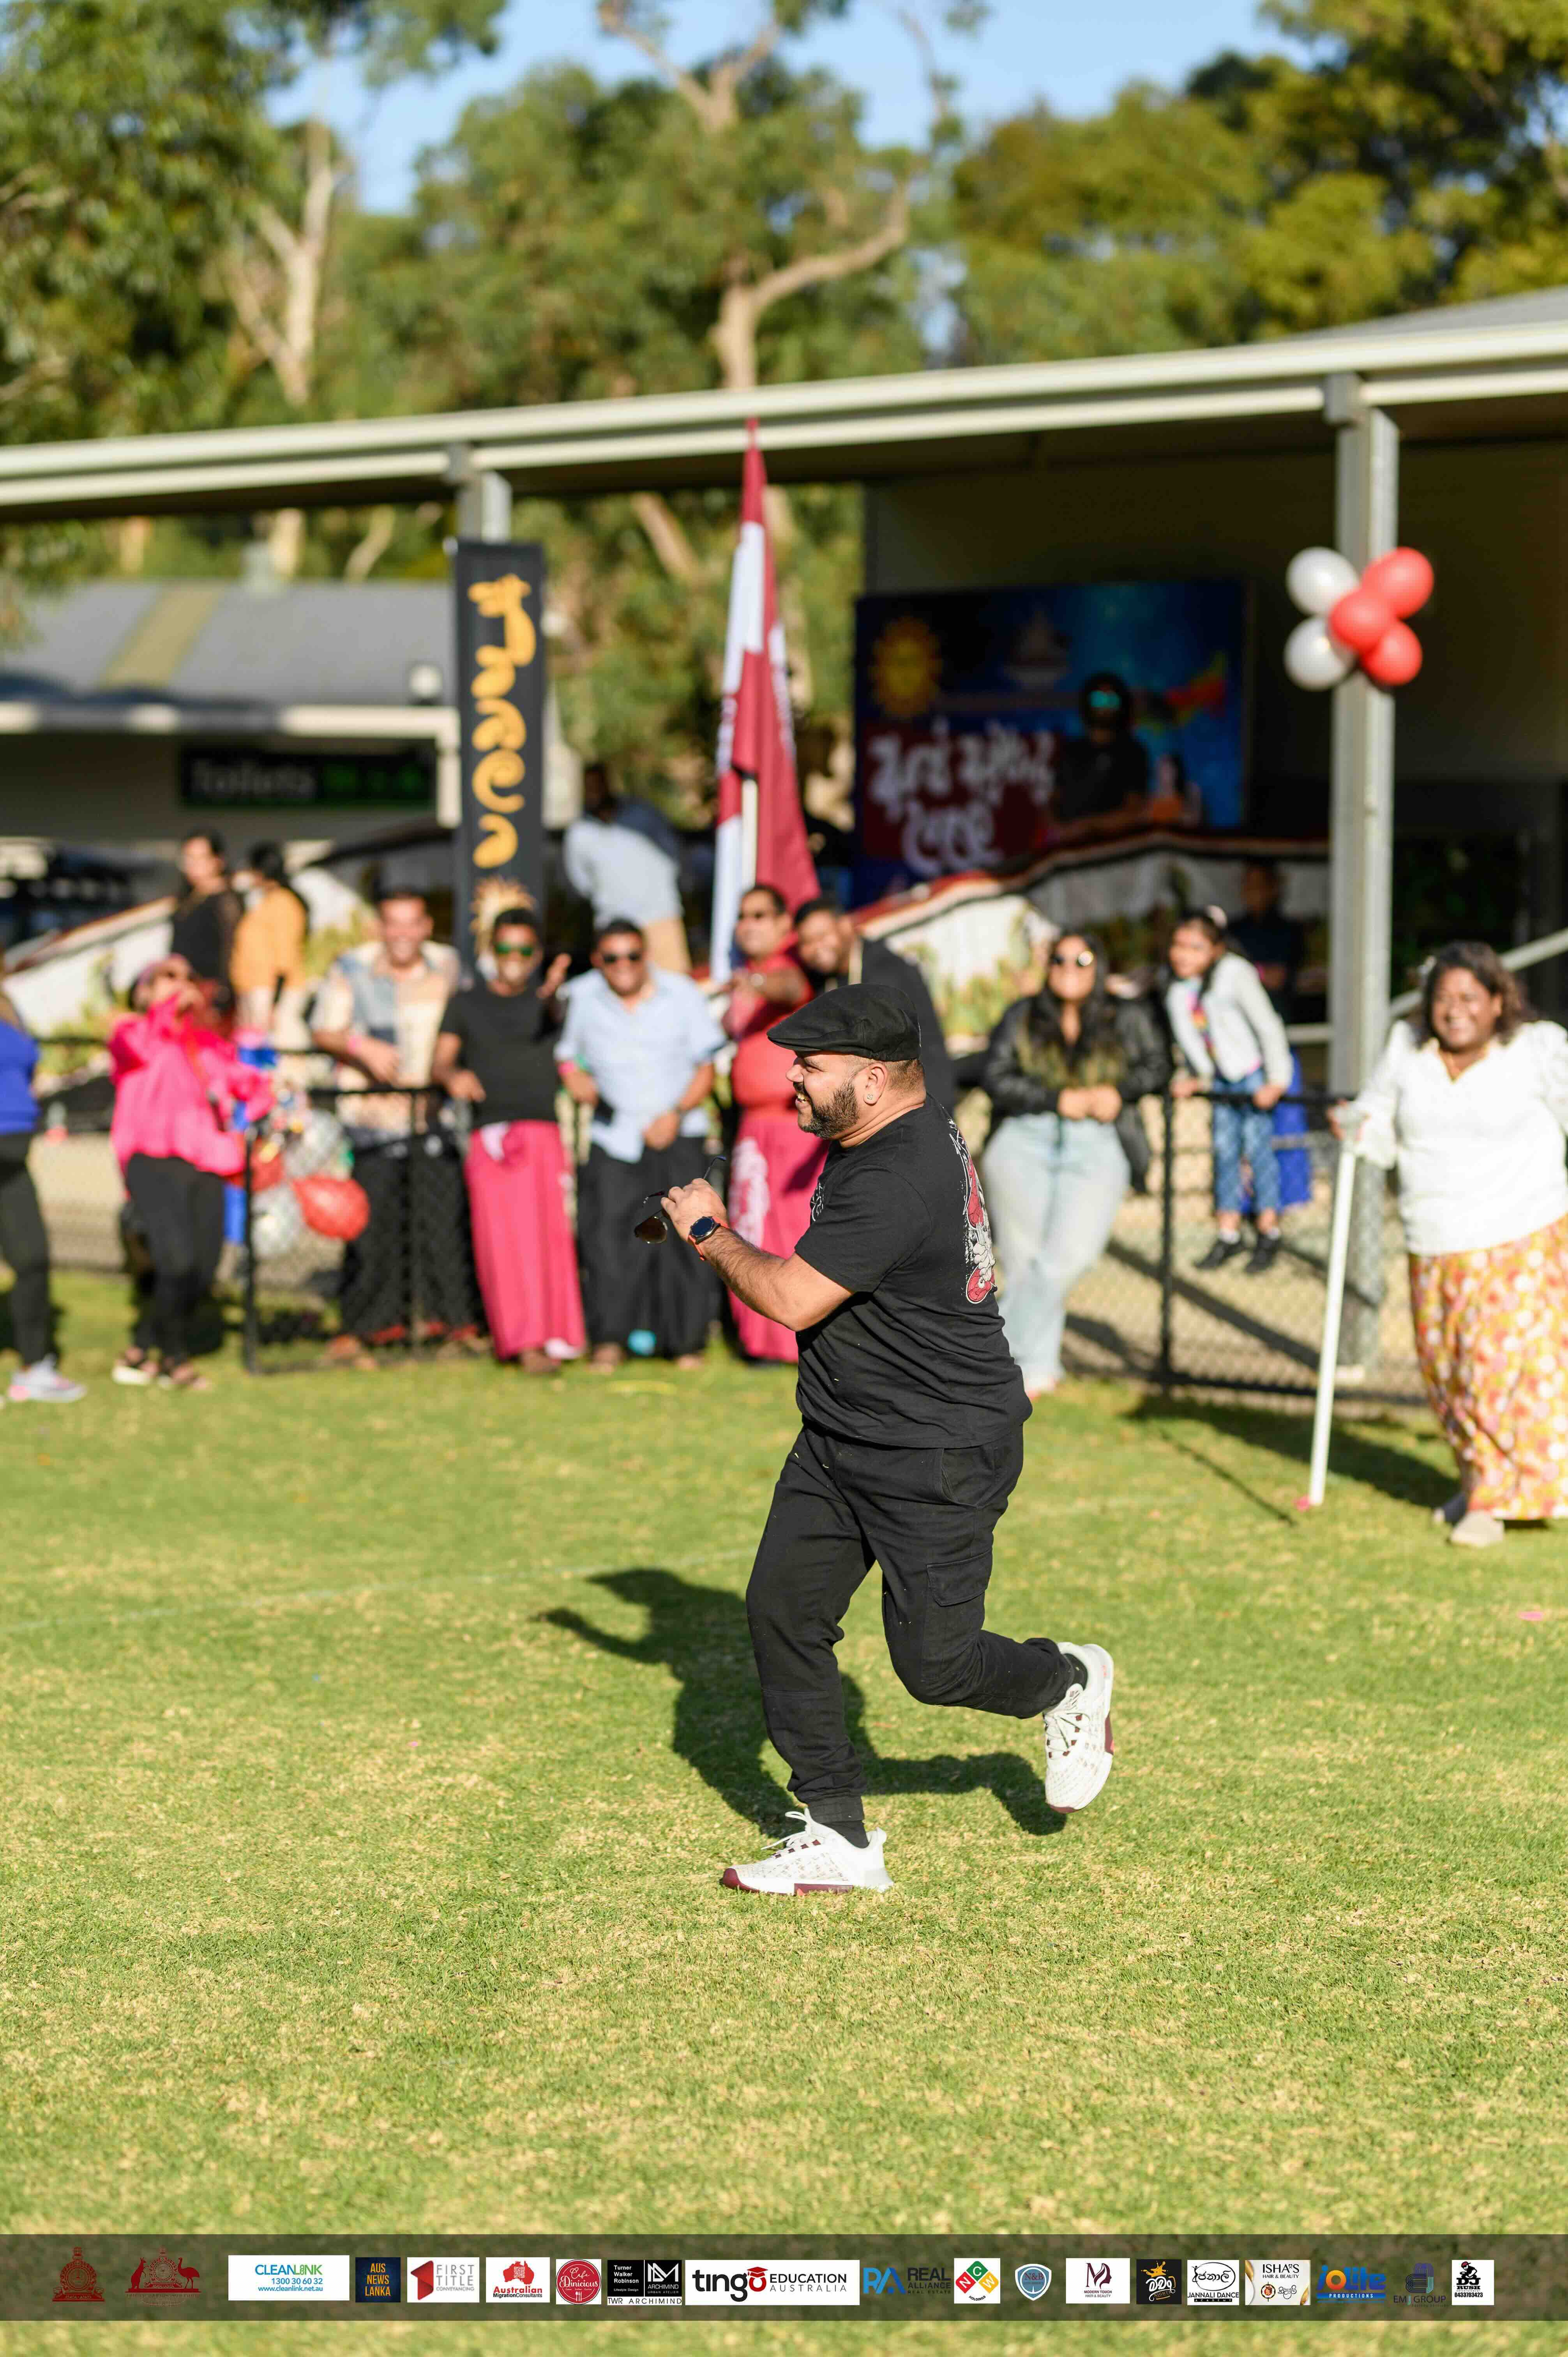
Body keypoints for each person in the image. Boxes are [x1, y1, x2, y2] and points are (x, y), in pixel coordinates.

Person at [658, 982, 1116, 1896]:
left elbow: (789, 1298)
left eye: (808, 1067)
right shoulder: (876, 1131)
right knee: (782, 1612)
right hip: (842, 1435)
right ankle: (835, 1832)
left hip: (937, 1449)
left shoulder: (895, 1171)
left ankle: (1065, 1679)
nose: (788, 1079)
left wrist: (708, 1231)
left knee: (934, 1666)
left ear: (869, 1081)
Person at [1336, 942, 1568, 1549]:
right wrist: (1358, 1126)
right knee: (1449, 1378)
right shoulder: (1407, 1051)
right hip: (1433, 1239)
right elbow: (1379, 1124)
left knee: (1495, 1373)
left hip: (1521, 1235)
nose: (1455, 1010)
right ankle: (1478, 1480)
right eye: (1443, 998)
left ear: (1498, 1001)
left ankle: (1494, 1502)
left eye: (1470, 997)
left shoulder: (1537, 1049)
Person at [982, 931, 1170, 1397]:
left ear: (1098, 965)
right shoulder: (1021, 1015)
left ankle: (978, 1353)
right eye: (1059, 959)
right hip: (1024, 1139)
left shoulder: (1124, 1014)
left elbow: (1158, 1065)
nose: (1070, 967)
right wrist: (1055, 1098)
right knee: (1023, 1262)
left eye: (1082, 959)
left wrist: (1118, 1092)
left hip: (1098, 1142)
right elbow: (995, 1076)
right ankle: (1034, 1369)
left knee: (1067, 1258)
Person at [311, 889, 480, 1369]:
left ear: (427, 927)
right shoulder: (352, 967)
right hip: (374, 1120)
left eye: (412, 924)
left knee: (442, 1225)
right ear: (381, 928)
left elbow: (471, 1020)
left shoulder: (448, 966)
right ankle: (366, 1329)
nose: (402, 934)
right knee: (372, 1229)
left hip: (435, 1119)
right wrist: (362, 1049)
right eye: (393, 924)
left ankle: (454, 1327)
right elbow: (324, 1029)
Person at [556, 919, 724, 1370]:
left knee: (687, 1236)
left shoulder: (683, 994)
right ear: (598, 961)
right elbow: (567, 1054)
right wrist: (575, 1079)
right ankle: (610, 1339)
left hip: (678, 1129)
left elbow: (705, 1066)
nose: (623, 966)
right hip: (615, 1136)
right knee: (609, 1240)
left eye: (632, 955)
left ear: (645, 955)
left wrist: (674, 1113)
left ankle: (687, 1343)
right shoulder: (584, 998)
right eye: (612, 958)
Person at [108, 958, 272, 1390]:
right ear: (144, 991)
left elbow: (248, 1083)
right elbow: (139, 1048)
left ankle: (143, 1346)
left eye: (187, 978)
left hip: (205, 1160)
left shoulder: (206, 1044)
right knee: (174, 1259)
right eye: (167, 977)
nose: (181, 985)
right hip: (152, 1157)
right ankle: (174, 1361)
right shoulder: (131, 1032)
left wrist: (261, 1107)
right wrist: (167, 1007)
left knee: (202, 1267)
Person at [433, 910, 585, 1374]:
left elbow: (556, 1012)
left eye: (524, 950)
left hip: (544, 1133)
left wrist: (553, 992)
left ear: (537, 955)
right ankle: (522, 1340)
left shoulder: (547, 1005)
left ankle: (558, 1335)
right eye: (505, 950)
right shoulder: (465, 1003)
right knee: (504, 1243)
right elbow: (439, 1063)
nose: (514, 959)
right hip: (492, 1136)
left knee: (549, 1240)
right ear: (490, 952)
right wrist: (453, 1075)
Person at [720, 883, 819, 1364]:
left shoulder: (785, 972)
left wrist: (755, 986)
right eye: (744, 916)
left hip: (791, 1125)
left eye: (762, 914)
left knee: (794, 1232)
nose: (750, 924)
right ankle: (759, 1341)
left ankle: (793, 1340)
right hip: (752, 1125)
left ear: (784, 924)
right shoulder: (747, 975)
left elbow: (791, 989)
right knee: (752, 1226)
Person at [1165, 908, 1294, 1274]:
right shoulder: (1178, 989)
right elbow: (1195, 1040)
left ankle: (1269, 1230)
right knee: (1224, 1152)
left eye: (1196, 947)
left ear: (1216, 949)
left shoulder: (1235, 974)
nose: (1183, 954)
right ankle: (1228, 1233)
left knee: (1257, 1152)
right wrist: (1198, 1075)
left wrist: (1277, 1078)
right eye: (1179, 945)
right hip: (1221, 1079)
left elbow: (1267, 1024)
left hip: (1251, 1075)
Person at [0, 988, 85, 1403]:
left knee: (32, 1257)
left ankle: (35, 1368)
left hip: (14, 1157)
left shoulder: (10, 1006)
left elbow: (29, 1068)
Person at [792, 896, 955, 1113]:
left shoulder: (888, 974)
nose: (816, 948)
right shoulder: (824, 979)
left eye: (822, 936)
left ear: (845, 926)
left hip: (918, 1099)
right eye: (806, 942)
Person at [1227, 858, 1312, 1216]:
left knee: (1286, 1125)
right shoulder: (1235, 930)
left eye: (1260, 884)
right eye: (1248, 885)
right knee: (1242, 1133)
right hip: (1241, 1049)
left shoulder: (1289, 931)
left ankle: (1287, 1202)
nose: (1253, 893)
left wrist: (1247, 976)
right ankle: (1247, 1205)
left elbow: (1279, 977)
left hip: (1279, 1042)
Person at [563, 769, 689, 974]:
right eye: (589, 786)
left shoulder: (643, 815)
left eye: (598, 784)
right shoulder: (579, 832)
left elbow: (673, 854)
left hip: (660, 916)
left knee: (674, 985)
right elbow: (580, 882)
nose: (594, 791)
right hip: (614, 923)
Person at [1052, 672, 1149, 830]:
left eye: (1112, 701)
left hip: (1112, 845)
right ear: (1088, 702)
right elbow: (1054, 800)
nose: (1105, 706)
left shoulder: (1133, 752)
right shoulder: (1070, 750)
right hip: (1069, 846)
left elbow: (1135, 809)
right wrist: (1060, 830)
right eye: (1099, 699)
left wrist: (1090, 826)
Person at [231, 843, 309, 1039]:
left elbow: (285, 957)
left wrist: (275, 1004)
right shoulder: (266, 901)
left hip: (273, 993)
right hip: (259, 991)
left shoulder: (284, 902)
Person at [168, 830, 243, 1004]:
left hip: (210, 993)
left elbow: (232, 946)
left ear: (217, 861)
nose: (193, 865)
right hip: (182, 989)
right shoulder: (188, 897)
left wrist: (224, 991)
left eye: (200, 858)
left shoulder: (226, 901)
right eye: (188, 858)